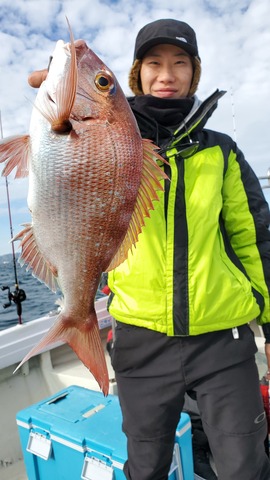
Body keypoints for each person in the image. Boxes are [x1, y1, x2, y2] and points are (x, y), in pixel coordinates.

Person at [28, 18, 270, 480]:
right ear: (135, 74)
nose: (166, 74)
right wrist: (62, 86)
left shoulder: (222, 152)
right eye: (153, 63)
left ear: (193, 75)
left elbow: (256, 240)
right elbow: (62, 153)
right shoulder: (116, 140)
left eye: (180, 63)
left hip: (225, 340)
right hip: (140, 337)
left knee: (245, 465)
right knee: (145, 464)